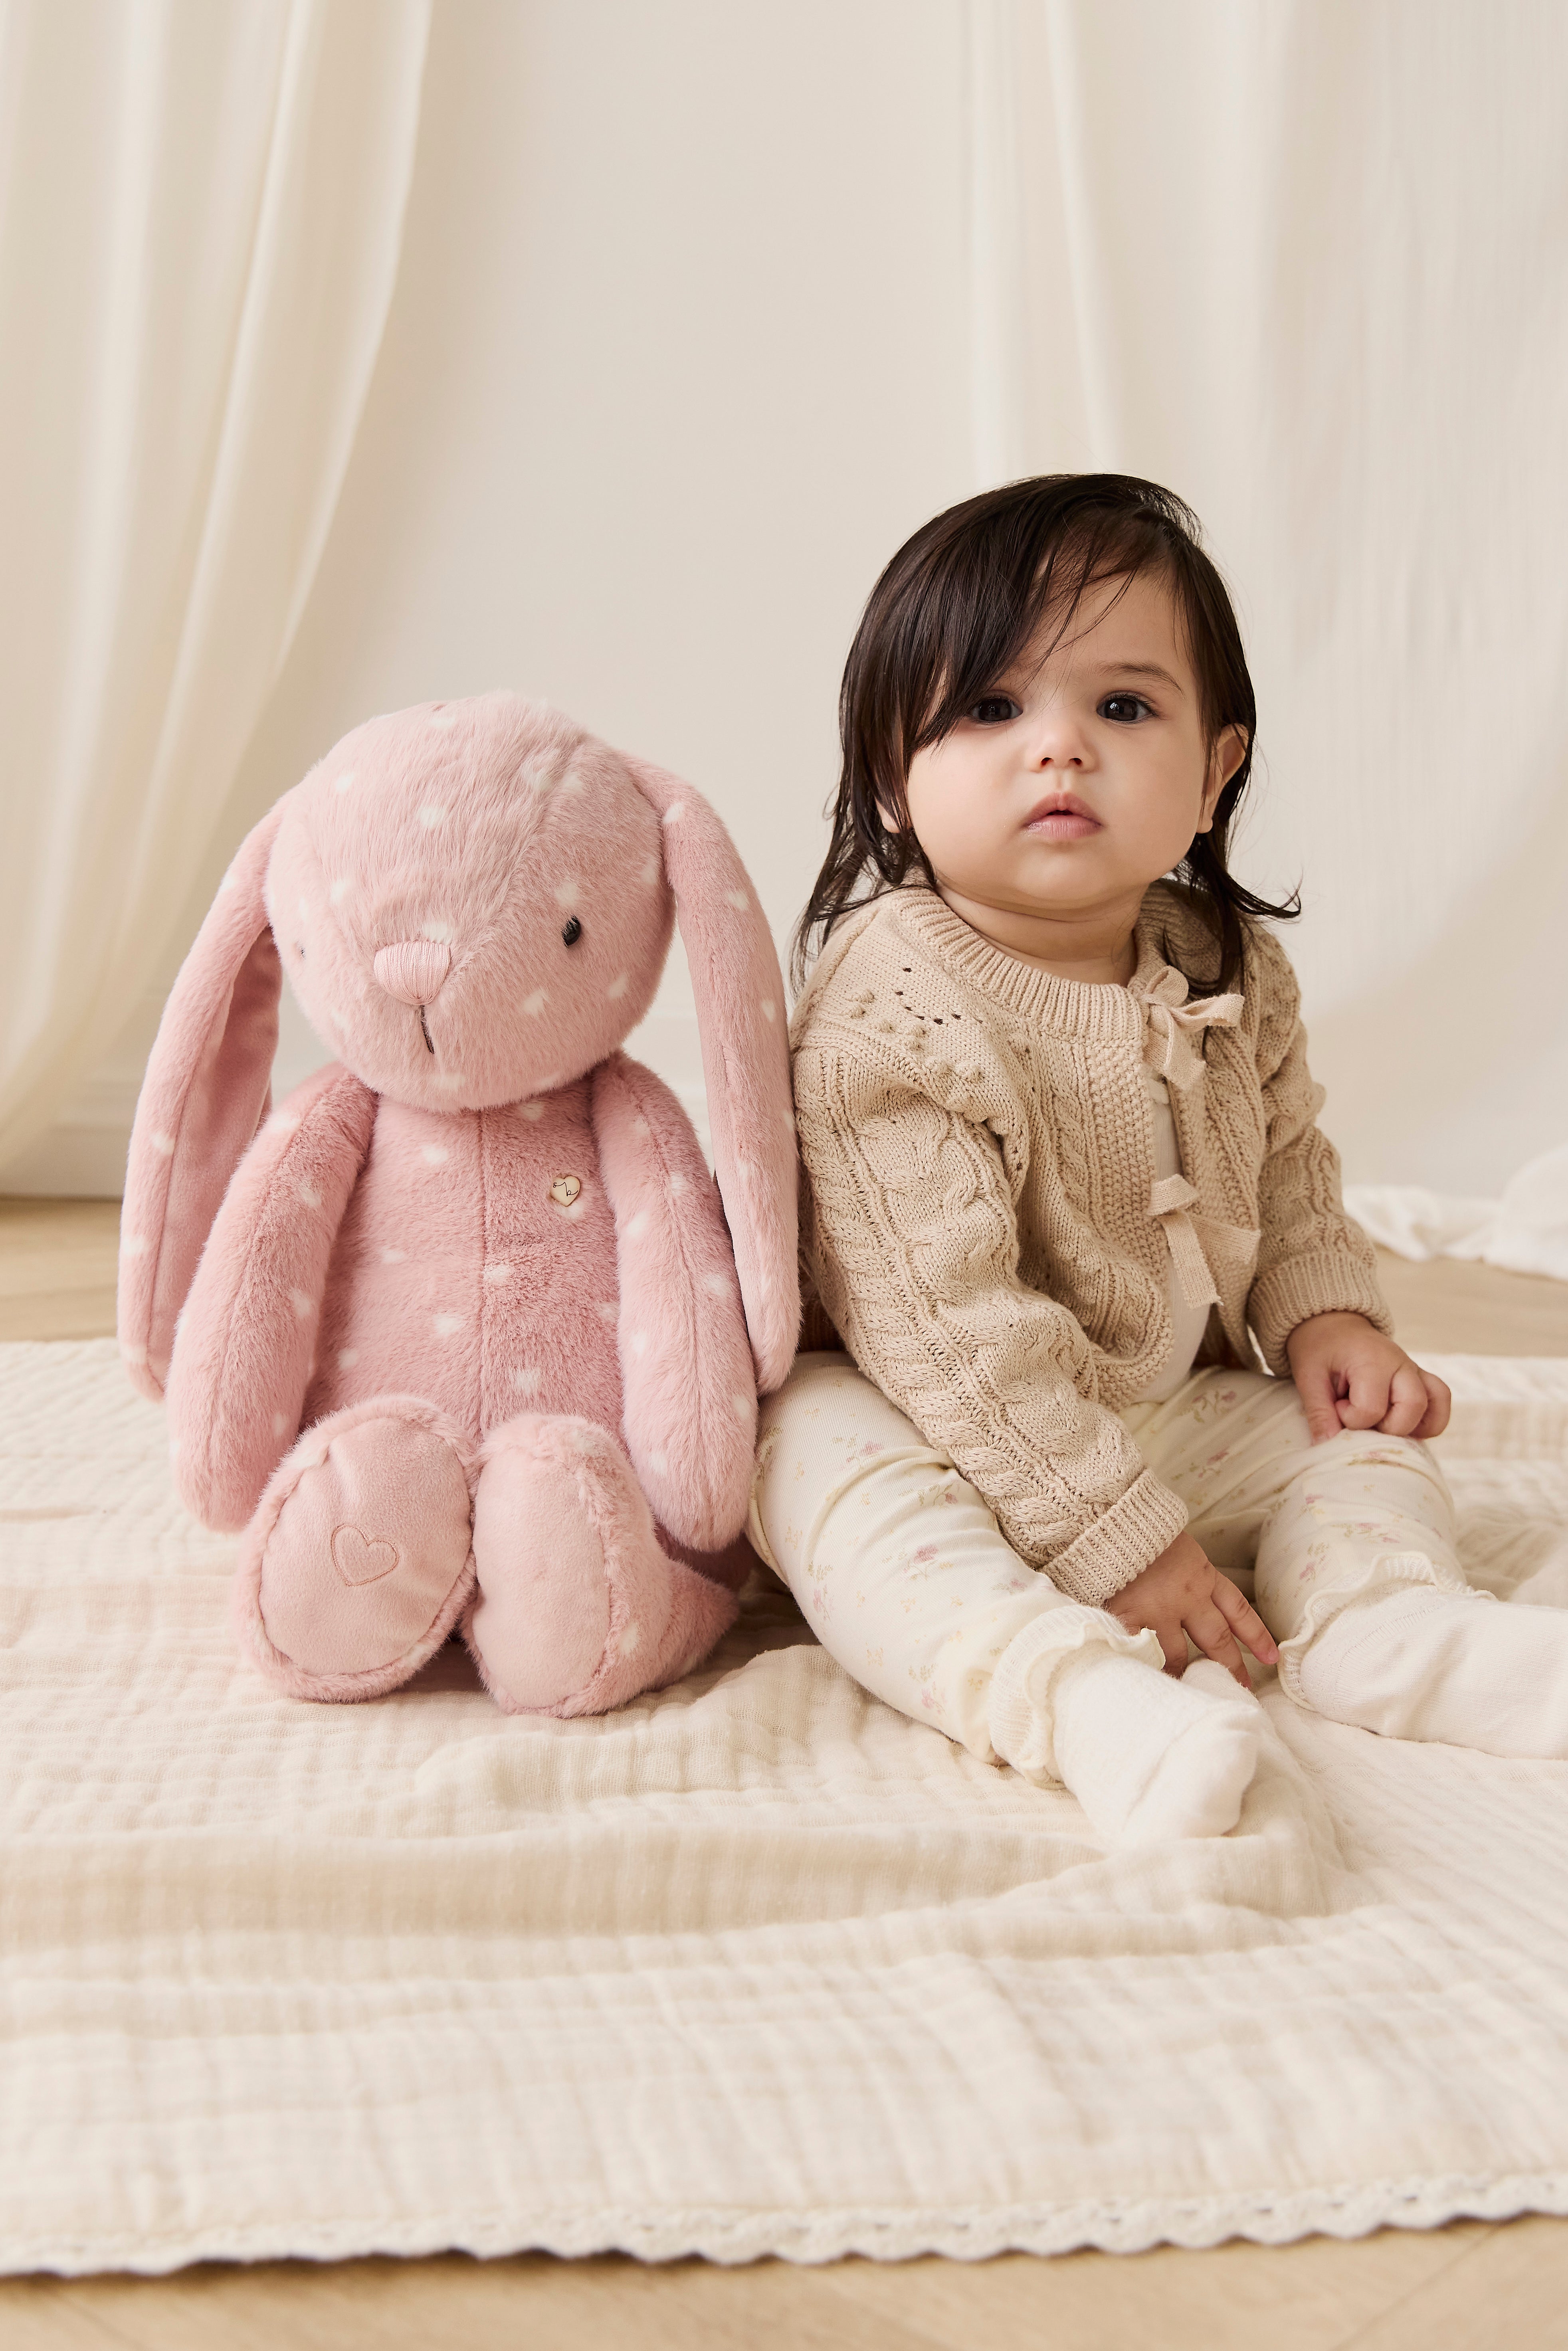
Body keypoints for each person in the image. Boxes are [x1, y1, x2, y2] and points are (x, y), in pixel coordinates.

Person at [748, 473, 1568, 1843]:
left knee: (1357, 1436)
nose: (1058, 750)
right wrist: (1116, 1545)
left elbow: (1292, 1163)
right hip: (938, 1421)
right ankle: (1077, 1699)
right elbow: (952, 1336)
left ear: (1215, 771)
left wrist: (1327, 1310)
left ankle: (1384, 1623)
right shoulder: (890, 1007)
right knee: (816, 1469)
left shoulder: (1224, 961)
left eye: (1122, 708)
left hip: (1154, 1406)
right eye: (991, 710)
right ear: (896, 780)